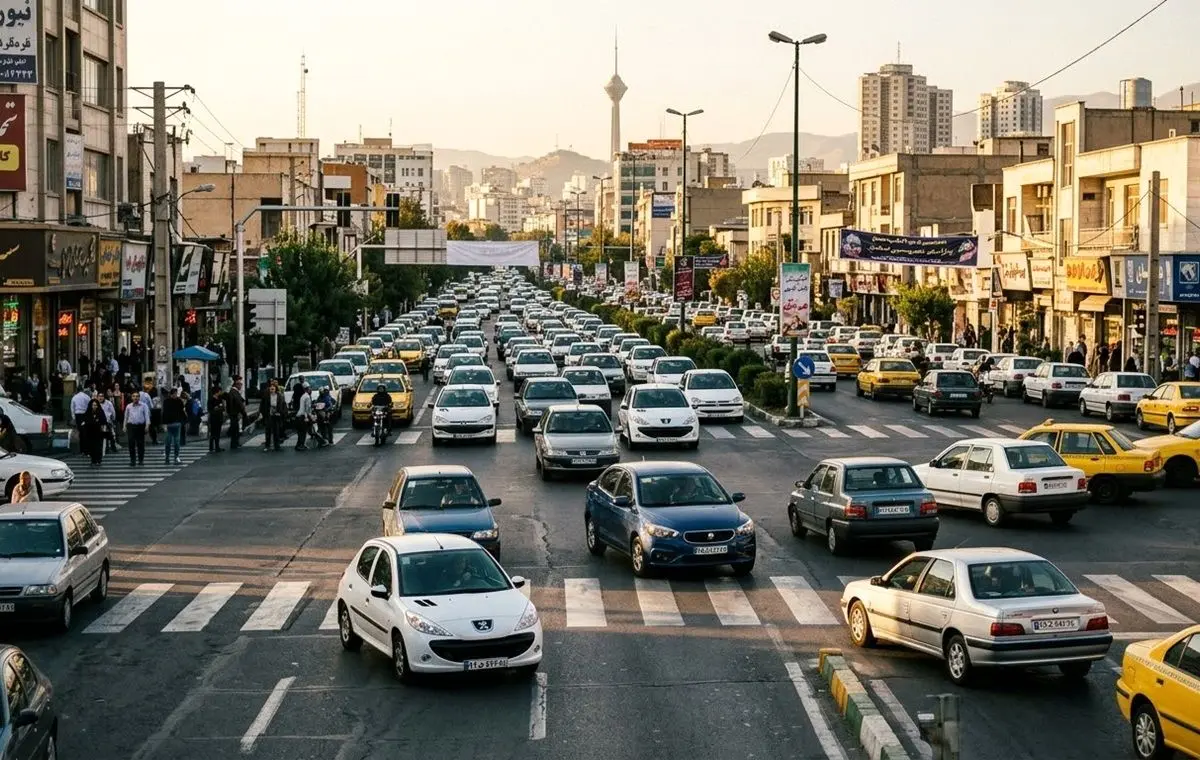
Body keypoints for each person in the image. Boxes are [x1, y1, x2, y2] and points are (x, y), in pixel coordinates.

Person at [259, 379, 287, 452]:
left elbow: (283, 405)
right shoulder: (266, 396)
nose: (271, 390)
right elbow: (262, 405)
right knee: (268, 431)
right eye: (270, 389)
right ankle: (267, 446)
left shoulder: (279, 396)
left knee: (276, 431)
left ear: (276, 389)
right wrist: (262, 413)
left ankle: (277, 446)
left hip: (277, 415)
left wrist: (281, 413)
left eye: (273, 389)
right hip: (269, 415)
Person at [123, 390, 149, 466]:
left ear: (139, 398)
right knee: (131, 444)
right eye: (134, 396)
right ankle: (132, 460)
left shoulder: (144, 405)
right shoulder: (129, 406)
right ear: (131, 398)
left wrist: (147, 426)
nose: (135, 398)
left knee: (140, 444)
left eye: (137, 396)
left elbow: (147, 416)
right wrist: (124, 426)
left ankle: (141, 460)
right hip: (131, 426)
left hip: (140, 426)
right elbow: (126, 417)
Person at [162, 387, 186, 465]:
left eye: (176, 394)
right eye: (174, 394)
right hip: (169, 424)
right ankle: (167, 458)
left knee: (176, 442)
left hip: (176, 423)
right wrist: (164, 424)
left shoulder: (178, 401)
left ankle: (176, 457)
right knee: (168, 442)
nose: (176, 395)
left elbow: (182, 410)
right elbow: (164, 413)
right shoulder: (167, 402)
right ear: (171, 394)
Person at [82, 398, 107, 467]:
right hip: (90, 432)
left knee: (98, 446)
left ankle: (99, 460)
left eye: (96, 405)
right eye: (93, 405)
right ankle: (93, 460)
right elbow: (85, 421)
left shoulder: (101, 412)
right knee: (92, 447)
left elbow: (104, 421)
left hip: (98, 432)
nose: (94, 406)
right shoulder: (88, 413)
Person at [226, 376, 247, 450]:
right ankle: (234, 443)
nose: (241, 386)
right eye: (240, 385)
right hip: (234, 413)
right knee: (235, 429)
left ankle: (235, 443)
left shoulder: (233, 392)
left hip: (233, 413)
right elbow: (239, 403)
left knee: (235, 428)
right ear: (236, 385)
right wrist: (243, 412)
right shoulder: (234, 392)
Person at [293, 382, 312, 451]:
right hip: (302, 416)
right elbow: (307, 408)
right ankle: (301, 445)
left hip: (298, 416)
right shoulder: (307, 397)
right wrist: (308, 417)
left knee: (300, 432)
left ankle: (299, 445)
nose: (310, 390)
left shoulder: (303, 396)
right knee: (303, 432)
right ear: (308, 389)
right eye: (310, 388)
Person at [207, 387, 226, 453]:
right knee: (213, 433)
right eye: (220, 391)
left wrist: (218, 408)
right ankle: (211, 447)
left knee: (218, 433)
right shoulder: (211, 400)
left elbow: (223, 408)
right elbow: (210, 410)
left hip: (219, 418)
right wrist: (217, 408)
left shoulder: (220, 399)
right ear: (216, 392)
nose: (220, 392)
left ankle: (217, 447)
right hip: (213, 418)